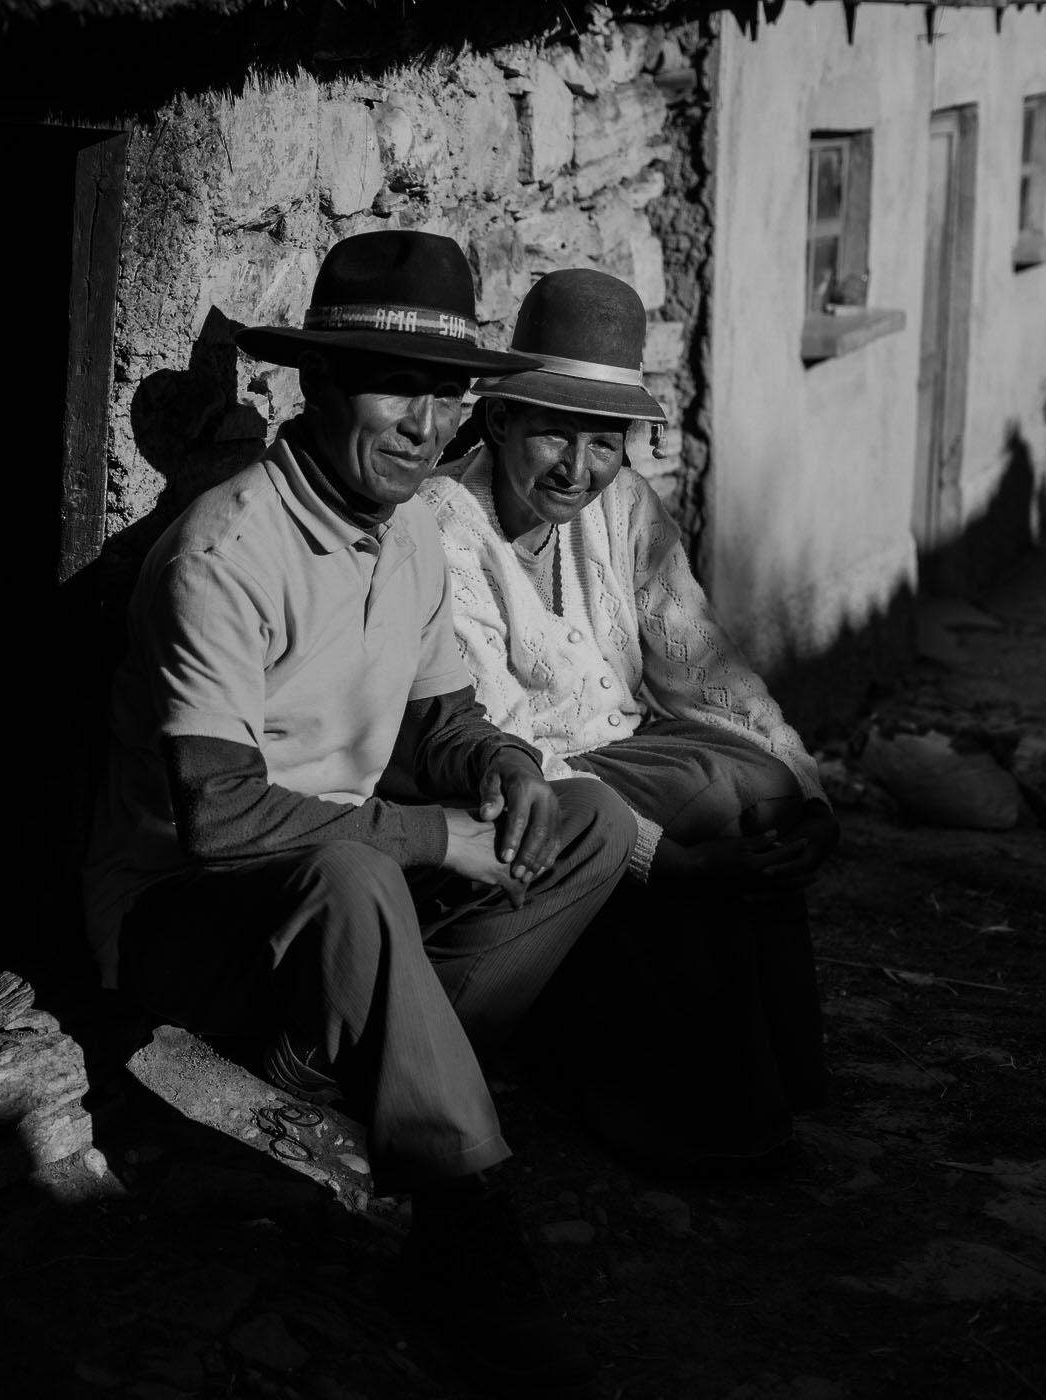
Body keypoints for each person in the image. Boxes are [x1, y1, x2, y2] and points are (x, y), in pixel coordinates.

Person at [84, 230, 635, 1397]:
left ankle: (349, 1062)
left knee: (589, 820)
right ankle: (466, 1224)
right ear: (321, 383)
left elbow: (438, 720)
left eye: (447, 394)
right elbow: (219, 817)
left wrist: (503, 766)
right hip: (193, 916)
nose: (425, 425)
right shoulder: (226, 554)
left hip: (342, 891)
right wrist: (437, 836)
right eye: (396, 388)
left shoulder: (412, 530)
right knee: (358, 875)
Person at [418, 267, 833, 1168]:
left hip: (624, 759)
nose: (578, 469)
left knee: (762, 785)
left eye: (604, 443)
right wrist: (669, 862)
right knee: (712, 795)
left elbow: (705, 668)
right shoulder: (443, 529)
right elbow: (491, 742)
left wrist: (809, 794)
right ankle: (685, 1109)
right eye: (552, 435)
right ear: (499, 420)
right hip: (527, 791)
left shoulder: (624, 507)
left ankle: (771, 1078)